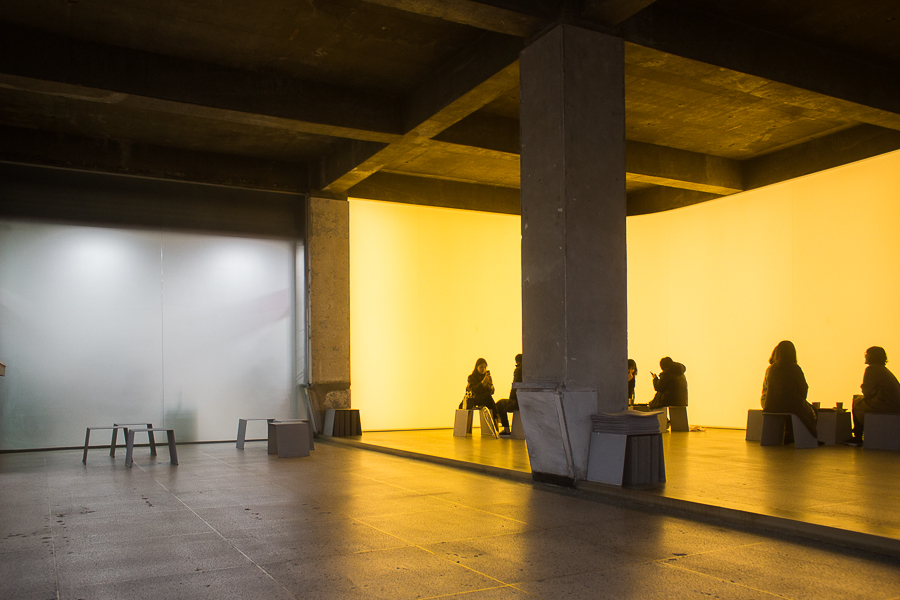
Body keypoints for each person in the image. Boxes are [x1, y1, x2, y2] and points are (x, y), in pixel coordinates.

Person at [760, 340, 817, 438]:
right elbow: (804, 388)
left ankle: (787, 434)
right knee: (811, 410)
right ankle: (809, 437)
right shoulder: (794, 368)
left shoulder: (771, 369)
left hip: (772, 406)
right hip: (791, 405)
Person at [848, 346, 900, 444]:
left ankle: (857, 436)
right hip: (894, 404)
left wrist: (866, 388)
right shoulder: (883, 369)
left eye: (867, 354)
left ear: (872, 356)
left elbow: (866, 391)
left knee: (856, 401)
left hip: (887, 404)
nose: (865, 356)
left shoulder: (871, 369)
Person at [465, 358, 509, 434]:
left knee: (493, 402)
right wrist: (483, 382)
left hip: (485, 399)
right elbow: (475, 390)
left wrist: (491, 384)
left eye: (485, 367)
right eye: (481, 367)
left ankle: (497, 421)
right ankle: (497, 416)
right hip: (474, 399)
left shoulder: (485, 377)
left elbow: (491, 392)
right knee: (488, 397)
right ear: (476, 367)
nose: (483, 369)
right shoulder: (471, 377)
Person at [496, 354, 522, 435]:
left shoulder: (518, 370)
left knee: (499, 404)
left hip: (518, 401)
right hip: (527, 400)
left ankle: (506, 429)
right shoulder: (530, 370)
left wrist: (511, 398)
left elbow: (515, 385)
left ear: (517, 362)